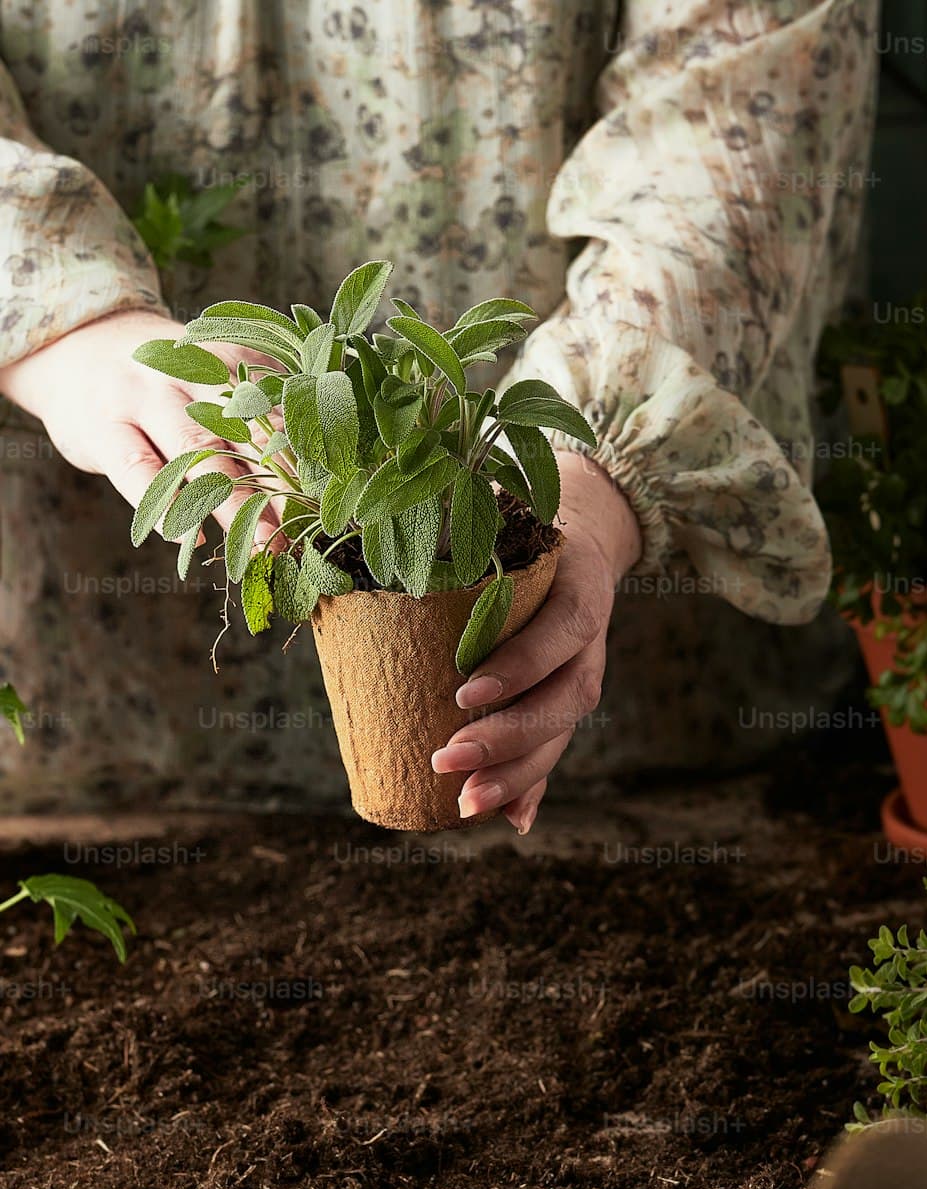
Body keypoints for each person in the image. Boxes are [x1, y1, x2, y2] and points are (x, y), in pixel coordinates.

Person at [0, 1, 877, 830]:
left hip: (650, 753)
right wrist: (62, 317)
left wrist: (586, 491)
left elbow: (729, 130)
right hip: (91, 727)